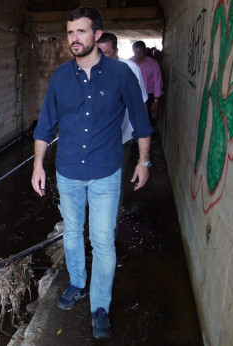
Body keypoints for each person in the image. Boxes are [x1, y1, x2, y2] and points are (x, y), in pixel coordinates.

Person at [30, 7, 153, 339]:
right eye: (70, 32)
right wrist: (38, 165)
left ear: (97, 35)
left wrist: (143, 162)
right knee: (71, 233)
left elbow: (142, 124)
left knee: (102, 241)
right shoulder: (59, 77)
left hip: (105, 173)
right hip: (67, 172)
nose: (74, 38)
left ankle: (100, 306)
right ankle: (77, 283)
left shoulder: (121, 74)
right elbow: (43, 127)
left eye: (81, 32)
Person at [97, 33, 148, 236]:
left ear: (117, 52)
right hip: (96, 140)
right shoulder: (90, 67)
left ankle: (110, 233)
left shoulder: (130, 69)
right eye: (98, 53)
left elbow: (141, 104)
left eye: (107, 53)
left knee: (113, 185)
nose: (102, 58)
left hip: (121, 139)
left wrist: (142, 150)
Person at [131, 40, 163, 121]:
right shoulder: (129, 63)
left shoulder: (153, 64)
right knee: (133, 119)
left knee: (147, 119)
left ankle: (148, 133)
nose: (138, 54)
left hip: (149, 97)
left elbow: (157, 82)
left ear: (145, 50)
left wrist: (156, 101)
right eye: (136, 52)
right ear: (133, 51)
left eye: (141, 51)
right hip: (132, 95)